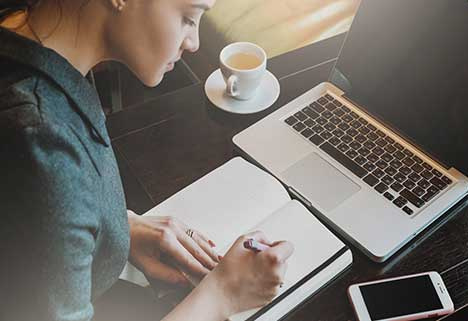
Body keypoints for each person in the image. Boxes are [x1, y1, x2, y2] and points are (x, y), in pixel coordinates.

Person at [0, 0, 294, 320]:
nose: (194, 42)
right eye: (187, 17)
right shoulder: (41, 140)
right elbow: (44, 173)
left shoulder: (24, 39)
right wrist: (222, 295)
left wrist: (111, 230)